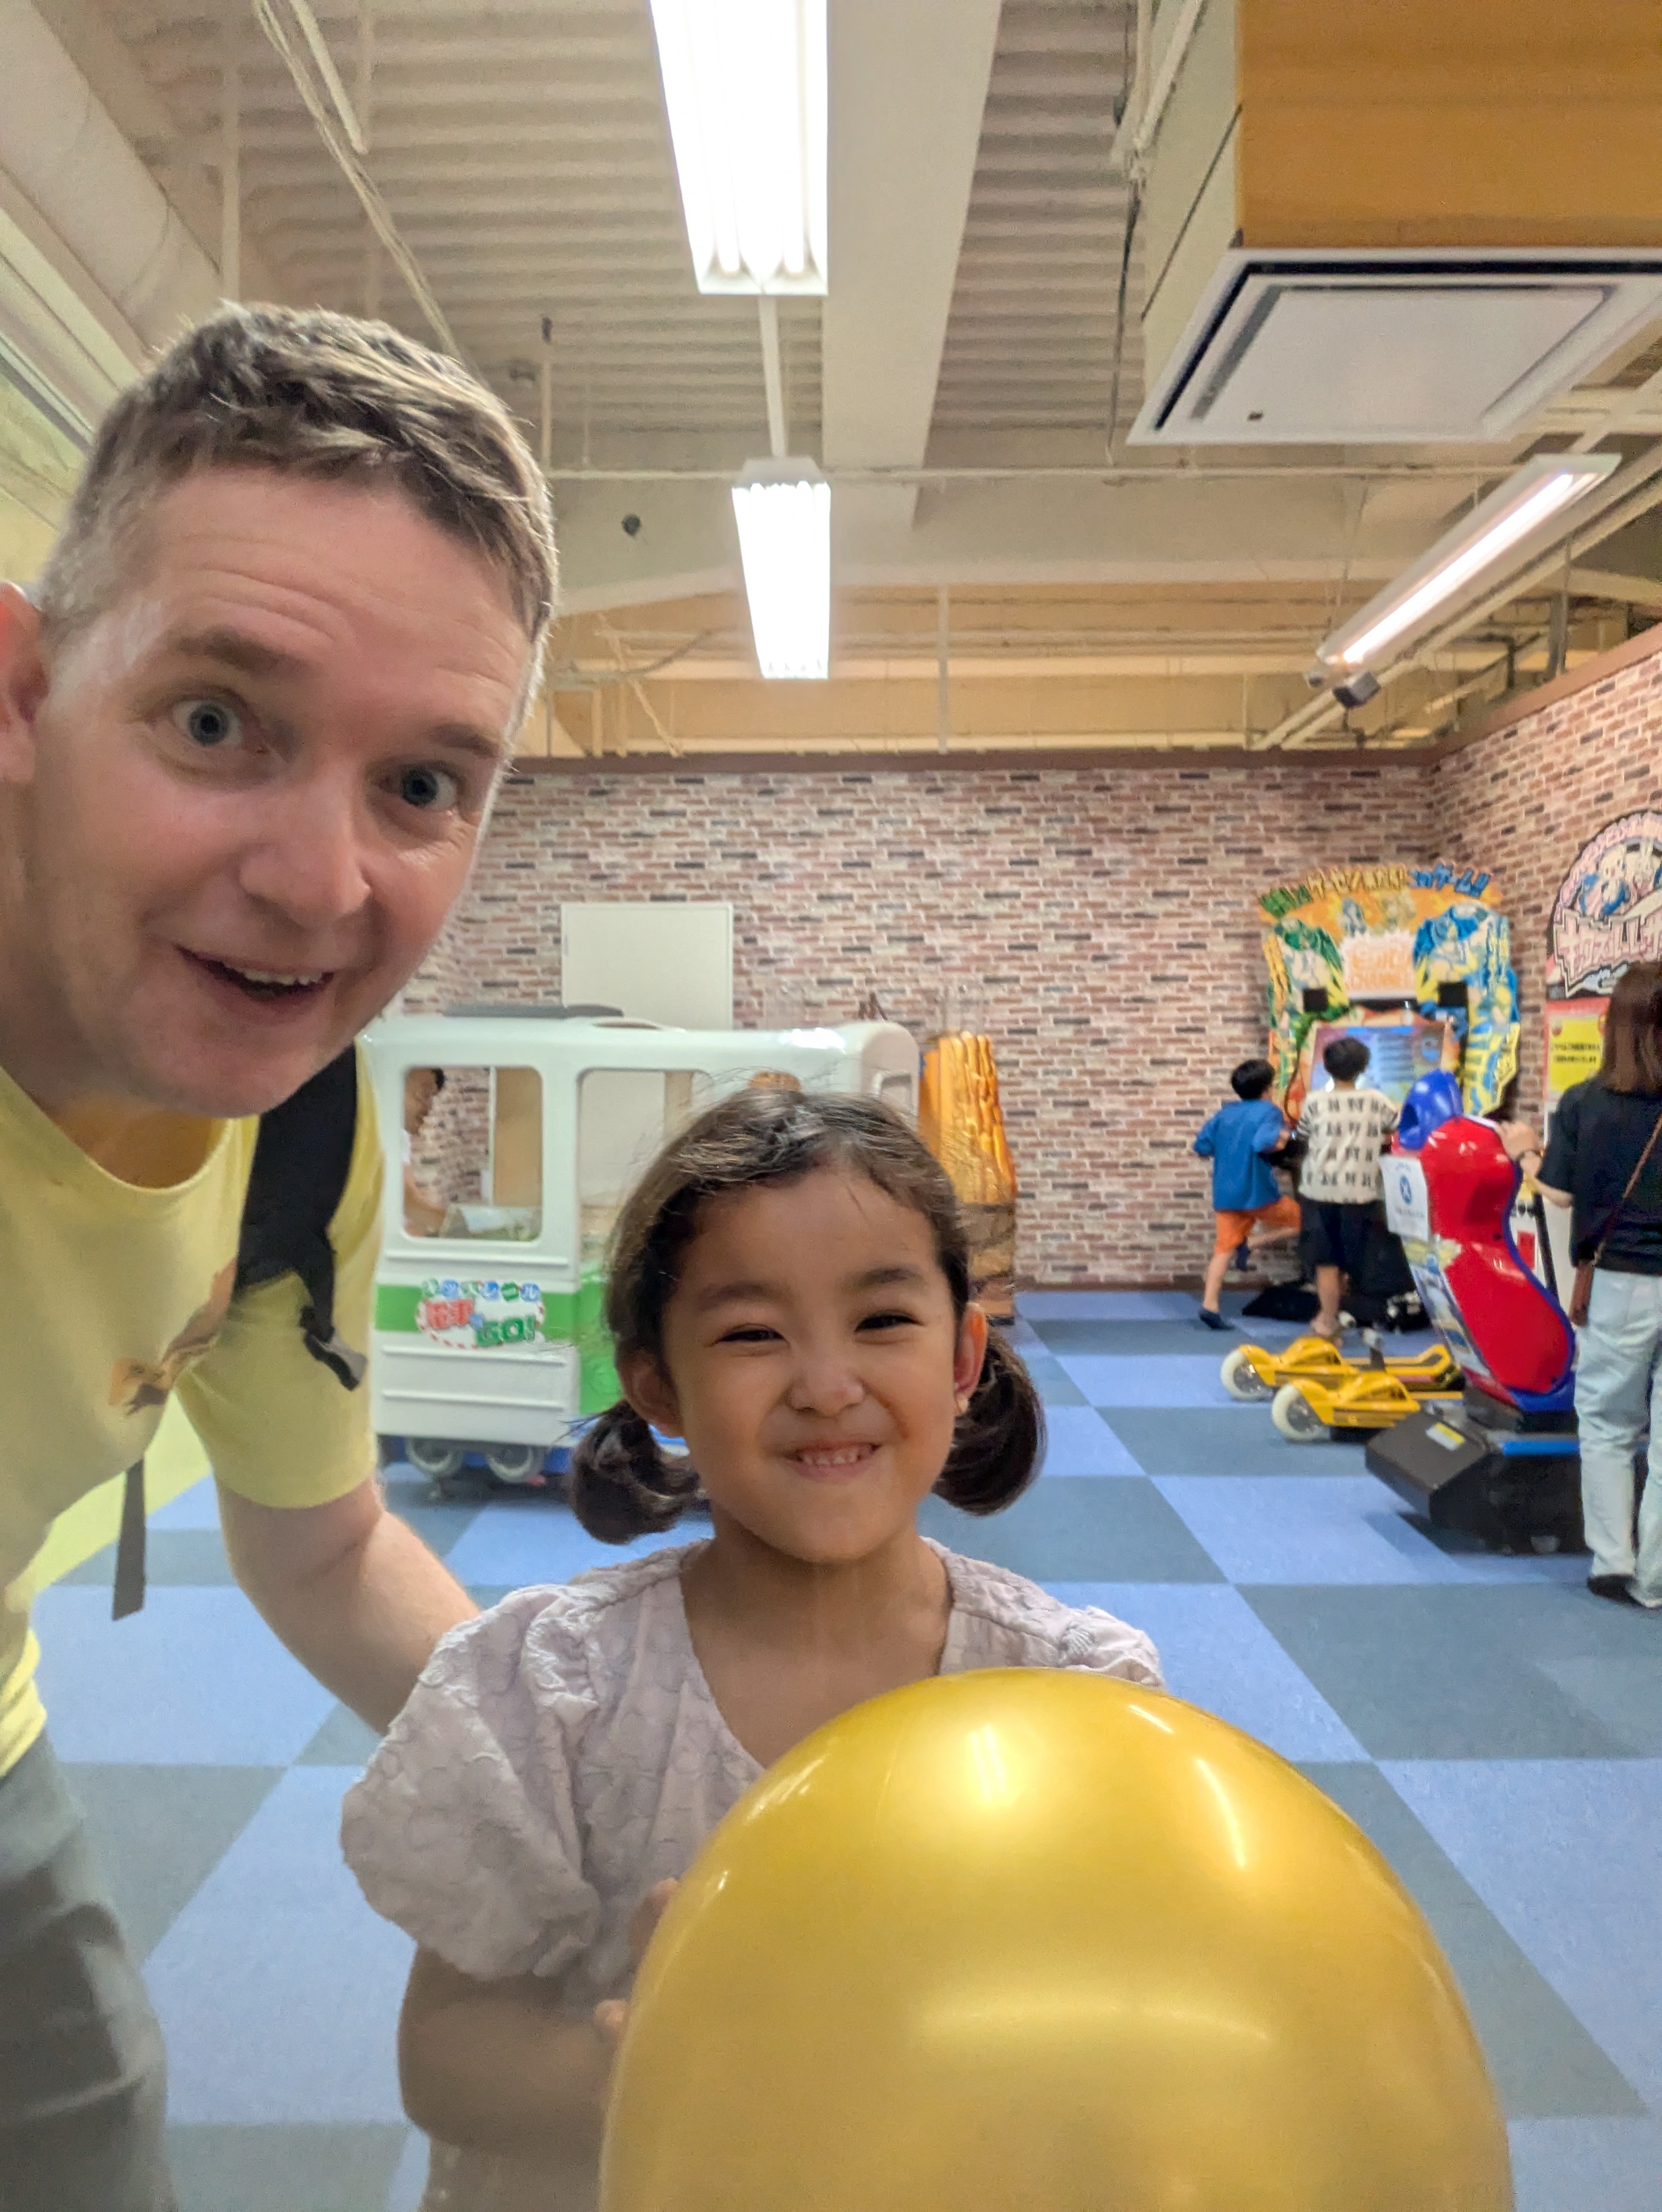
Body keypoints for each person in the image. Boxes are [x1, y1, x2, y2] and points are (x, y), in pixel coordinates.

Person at [0, 303, 556, 2211]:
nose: (324, 884)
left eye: (422, 783)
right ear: (20, 695)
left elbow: (317, 1543)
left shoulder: (299, 1131)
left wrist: (627, 1771)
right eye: (220, 722)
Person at [342, 1088, 1162, 2212]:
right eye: (749, 1334)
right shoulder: (556, 1695)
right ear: (655, 1386)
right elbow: (441, 2060)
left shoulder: (1074, 1703)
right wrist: (630, 2069)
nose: (827, 1387)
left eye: (881, 1322)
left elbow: (1134, 2040)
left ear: (964, 1353)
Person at [1529, 960, 1662, 1609]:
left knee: (1609, 1423)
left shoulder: (1585, 1101)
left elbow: (1554, 1192)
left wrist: (1527, 1156)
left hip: (1623, 1282)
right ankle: (1657, 1578)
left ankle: (1612, 1559)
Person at [1296, 1036, 1400, 1341]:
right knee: (1348, 1260)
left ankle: (1328, 1322)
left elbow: (1303, 1134)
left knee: (1326, 1261)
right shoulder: (1378, 1101)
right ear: (1364, 1067)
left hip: (1319, 1191)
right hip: (1360, 1193)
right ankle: (1332, 1314)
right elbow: (1396, 1129)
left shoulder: (1314, 1101)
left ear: (1327, 1068)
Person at [1191, 1056, 1298, 1330]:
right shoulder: (1269, 1111)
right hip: (1257, 1194)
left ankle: (1210, 1306)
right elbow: (1264, 1142)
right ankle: (1251, 1244)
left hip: (1226, 1196)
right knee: (1306, 1221)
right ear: (1267, 1088)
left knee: (1222, 1250)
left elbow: (1202, 1146)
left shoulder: (1225, 1113)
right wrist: (1284, 1137)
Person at [405, 1065, 449, 1236]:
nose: (429, 1107)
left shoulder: (399, 1138)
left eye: (431, 1097)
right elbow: (410, 1205)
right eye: (423, 1094)